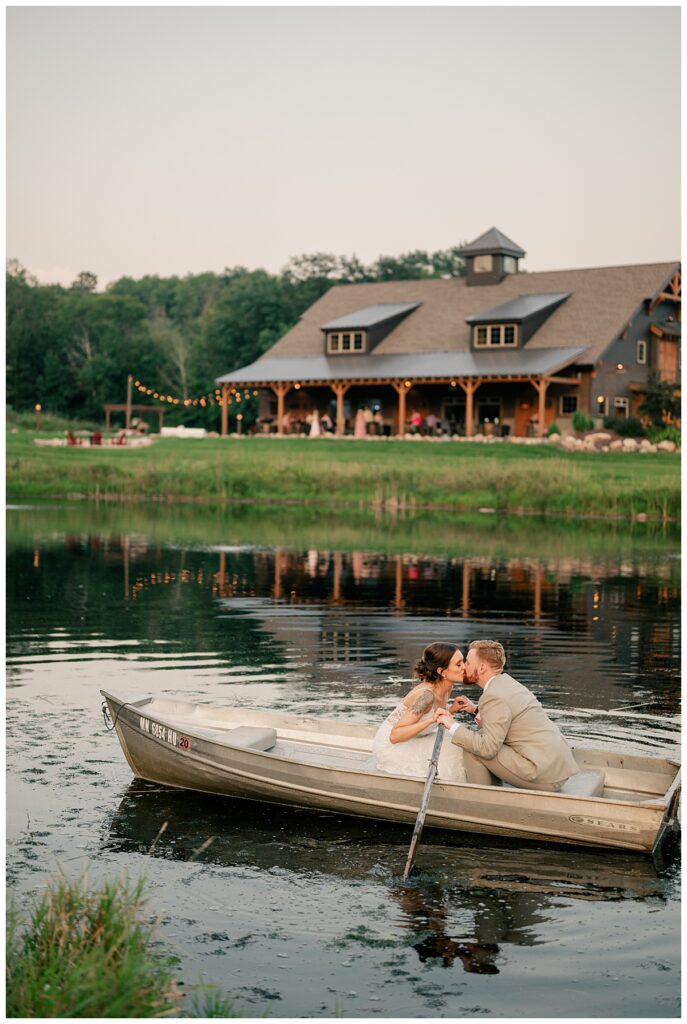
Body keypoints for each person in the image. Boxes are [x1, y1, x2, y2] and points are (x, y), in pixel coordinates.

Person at [435, 640, 579, 791]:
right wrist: (476, 711)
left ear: (482, 667)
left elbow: (487, 749)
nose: (464, 666)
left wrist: (452, 725)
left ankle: (485, 800)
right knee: (480, 738)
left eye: (468, 662)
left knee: (473, 748)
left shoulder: (493, 696)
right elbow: (508, 718)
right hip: (557, 767)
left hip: (543, 775)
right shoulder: (508, 683)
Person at [372, 643, 467, 782]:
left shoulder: (447, 688)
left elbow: (430, 714)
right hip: (392, 746)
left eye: (463, 662)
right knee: (451, 753)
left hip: (414, 737)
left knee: (458, 743)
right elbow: (395, 736)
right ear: (442, 671)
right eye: (459, 664)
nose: (464, 667)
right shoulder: (426, 696)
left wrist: (451, 709)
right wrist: (432, 720)